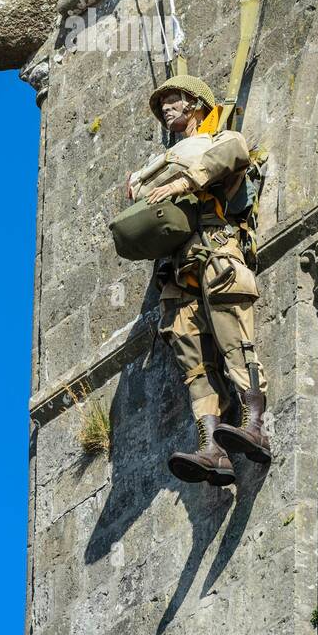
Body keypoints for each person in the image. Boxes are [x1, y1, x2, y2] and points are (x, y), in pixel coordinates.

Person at [126, 76, 270, 487]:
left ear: (196, 104)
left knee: (233, 337)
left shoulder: (217, 140)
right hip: (177, 271)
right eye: (163, 104)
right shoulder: (168, 157)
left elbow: (238, 150)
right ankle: (212, 447)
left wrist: (184, 181)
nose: (166, 109)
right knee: (193, 359)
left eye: (173, 101)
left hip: (217, 250)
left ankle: (254, 423)